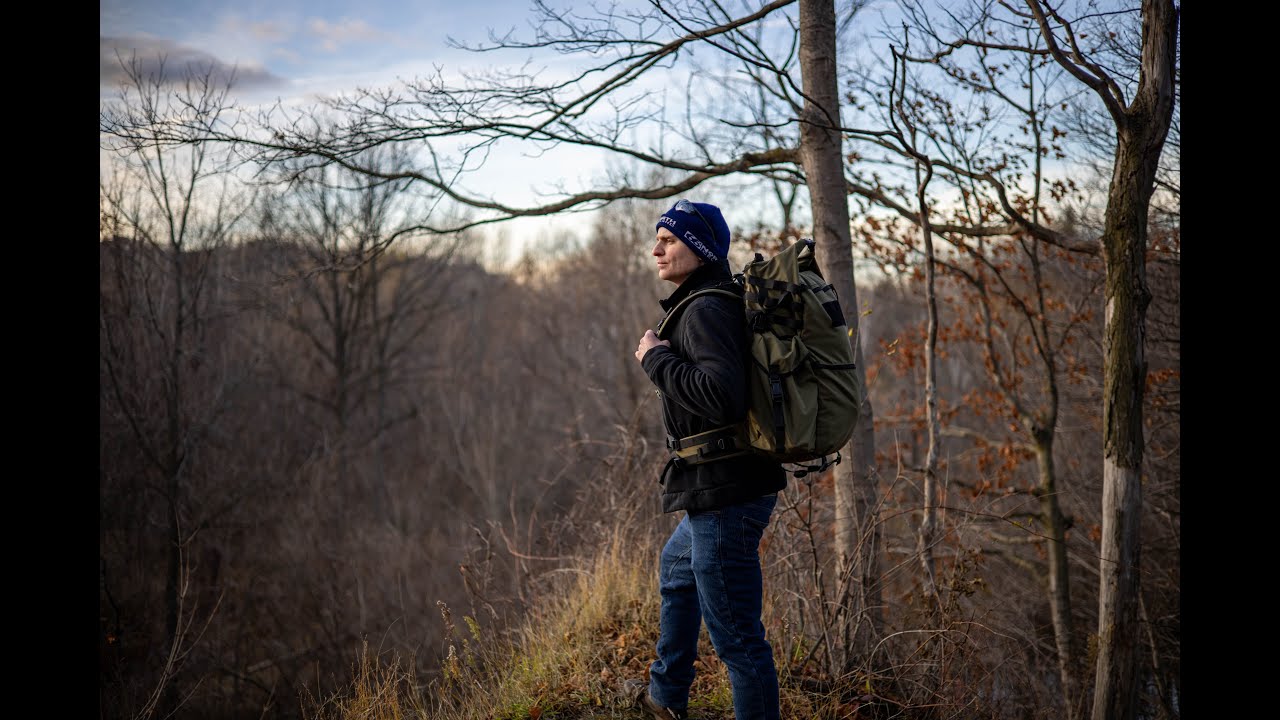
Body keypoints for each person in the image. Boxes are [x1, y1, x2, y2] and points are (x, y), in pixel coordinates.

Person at [629, 199, 786, 720]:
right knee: (676, 570)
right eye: (659, 239)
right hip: (717, 485)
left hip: (728, 493)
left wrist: (657, 358)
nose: (657, 249)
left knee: (739, 641)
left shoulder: (706, 309)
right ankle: (665, 698)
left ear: (698, 248)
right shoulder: (705, 300)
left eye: (669, 240)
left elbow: (721, 395)